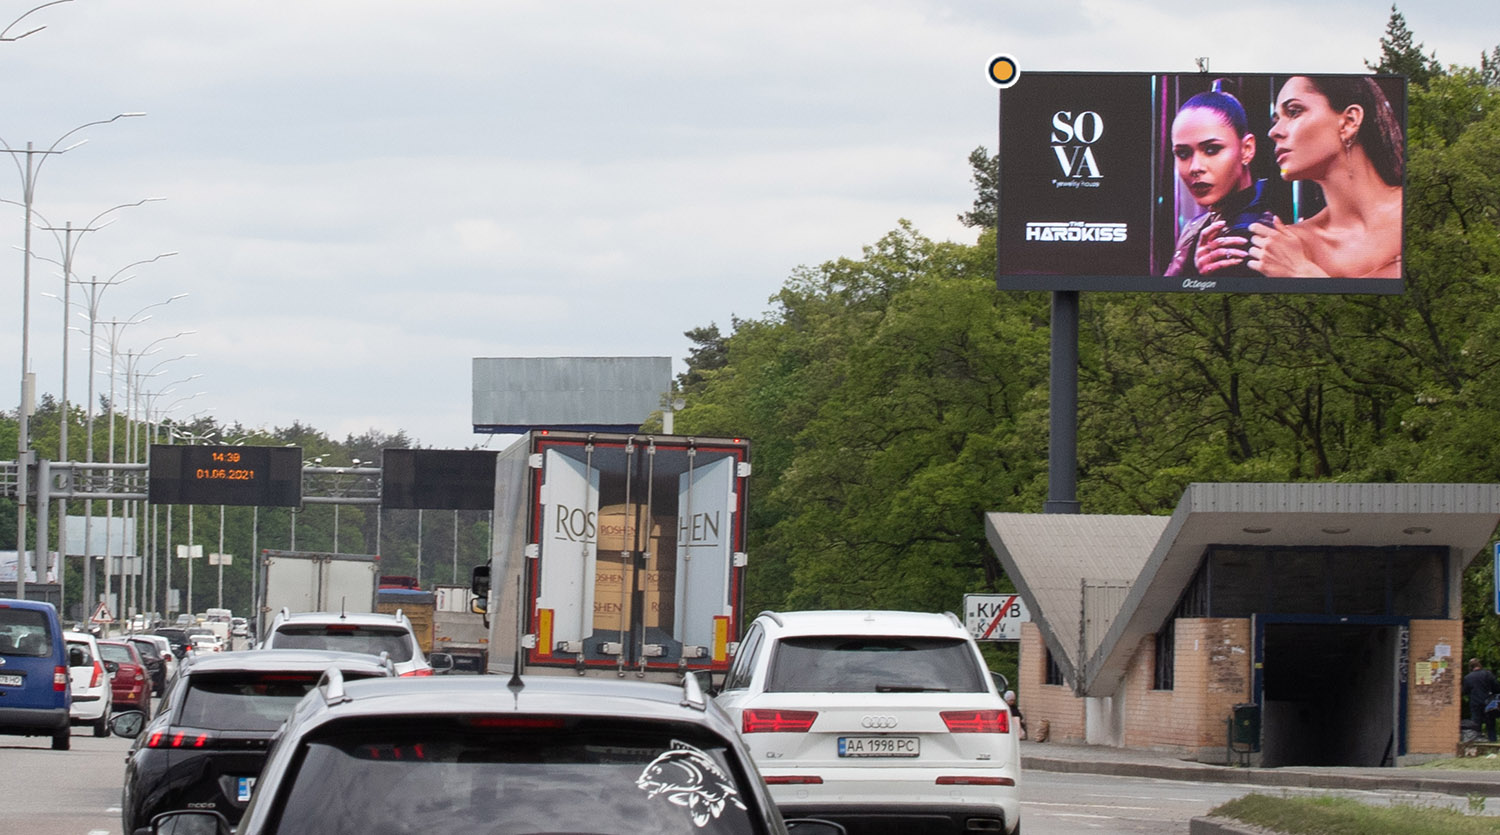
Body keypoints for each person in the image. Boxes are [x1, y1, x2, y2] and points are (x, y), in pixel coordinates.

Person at [1247, 75, 1404, 278]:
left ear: (1349, 122)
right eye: (1276, 120)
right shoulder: (1287, 247)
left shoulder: (1421, 210)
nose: (1273, 132)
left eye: (1294, 112)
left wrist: (1303, 273)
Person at [1164, 81, 1279, 277]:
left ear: (1247, 149)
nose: (1195, 168)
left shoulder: (1268, 232)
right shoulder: (1195, 227)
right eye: (1183, 154)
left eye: (1211, 150)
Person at [1462, 657, 1500, 742]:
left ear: (1470, 667)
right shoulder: (1487, 674)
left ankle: (1477, 740)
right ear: (1479, 664)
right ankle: (1492, 741)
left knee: (1476, 723)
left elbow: (1465, 691)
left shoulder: (1468, 677)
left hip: (1475, 703)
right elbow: (1497, 687)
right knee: (1490, 724)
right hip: (1489, 703)